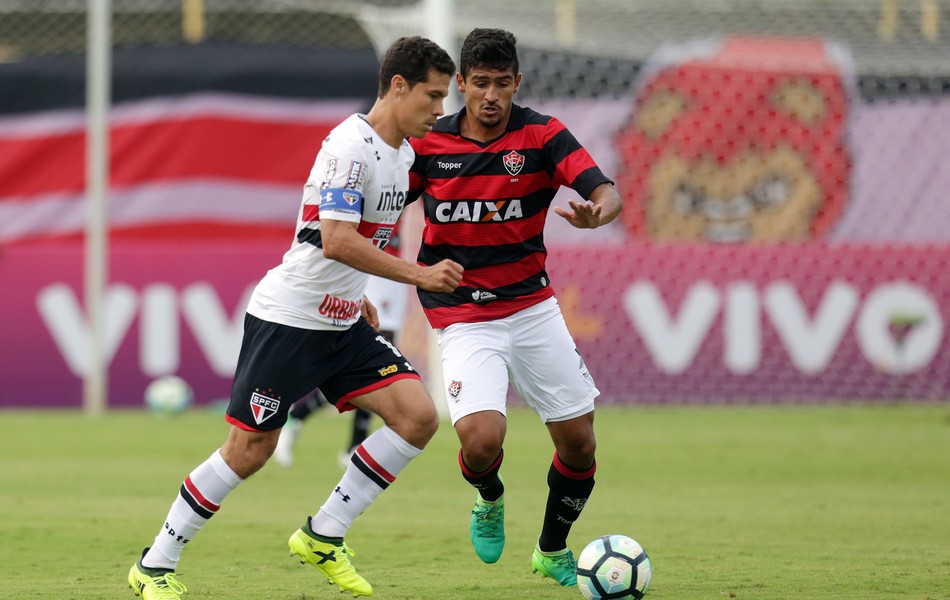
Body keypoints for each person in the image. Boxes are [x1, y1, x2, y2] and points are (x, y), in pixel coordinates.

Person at [128, 36, 461, 600]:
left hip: (342, 322)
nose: (439, 109)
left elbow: (350, 240)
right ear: (398, 86)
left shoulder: (402, 156)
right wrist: (420, 275)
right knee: (249, 451)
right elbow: (334, 240)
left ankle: (324, 534)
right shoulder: (347, 147)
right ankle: (154, 565)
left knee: (417, 416)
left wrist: (357, 293)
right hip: (289, 321)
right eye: (432, 95)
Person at [406, 28, 622, 587]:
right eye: (480, 84)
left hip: (530, 306)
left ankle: (552, 548)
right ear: (461, 84)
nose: (492, 97)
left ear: (517, 82)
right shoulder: (429, 145)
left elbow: (607, 190)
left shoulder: (543, 135)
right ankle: (489, 496)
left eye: (503, 84)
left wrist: (599, 212)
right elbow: (380, 212)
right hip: (461, 313)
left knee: (579, 443)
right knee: (480, 443)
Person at [274, 269, 410, 469]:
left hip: (395, 287)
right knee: (375, 371)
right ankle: (352, 445)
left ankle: (298, 418)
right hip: (376, 283)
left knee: (373, 374)